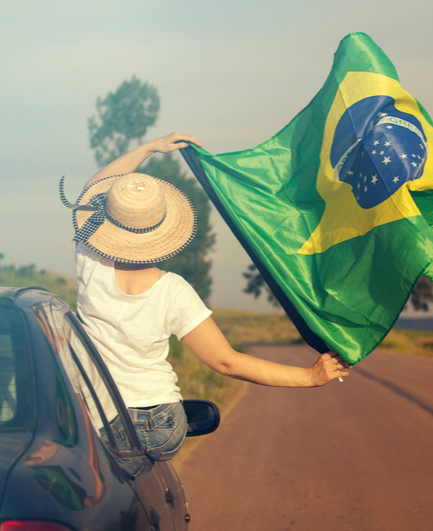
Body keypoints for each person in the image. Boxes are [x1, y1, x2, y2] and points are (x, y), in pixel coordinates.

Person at [60, 132, 350, 468]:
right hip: (161, 421)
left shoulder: (89, 259)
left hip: (103, 417)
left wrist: (148, 147)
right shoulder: (173, 291)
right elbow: (226, 362)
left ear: (108, 220)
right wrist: (308, 377)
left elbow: (93, 190)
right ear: (162, 230)